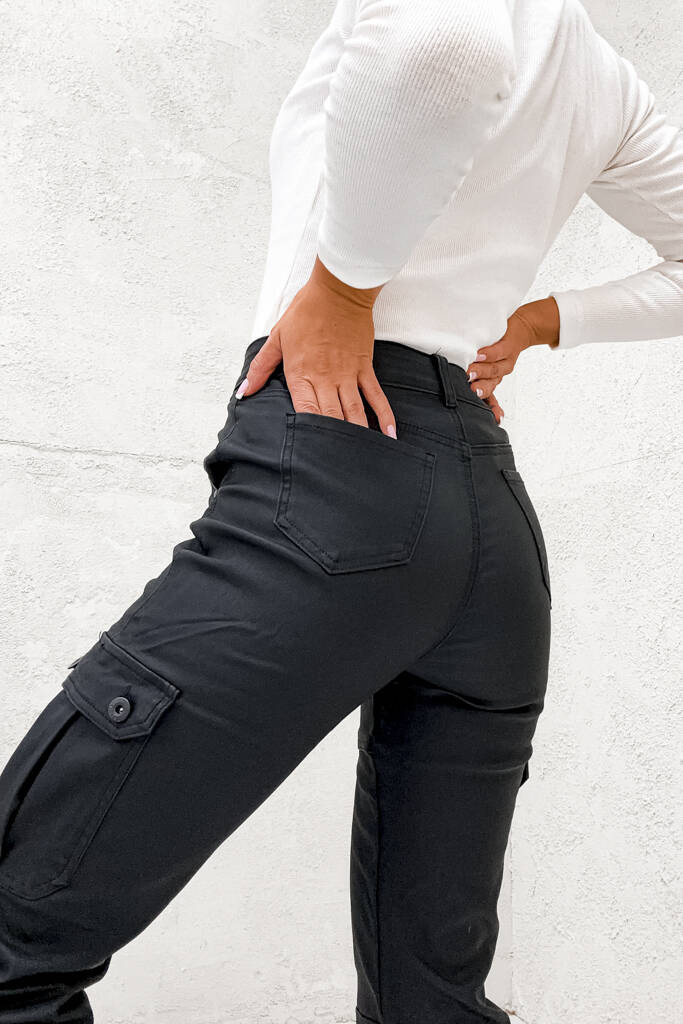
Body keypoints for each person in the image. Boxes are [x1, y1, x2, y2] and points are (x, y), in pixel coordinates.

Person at [0, 1, 680, 1022]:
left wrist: (343, 291)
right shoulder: (598, 72)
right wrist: (546, 320)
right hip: (489, 531)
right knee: (430, 1002)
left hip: (336, 472)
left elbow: (441, 49)